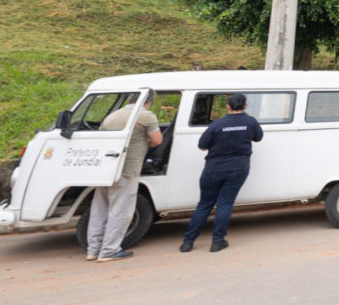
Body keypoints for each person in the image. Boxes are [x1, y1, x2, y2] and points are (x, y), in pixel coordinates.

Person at [181, 94, 263, 253]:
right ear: (245, 106)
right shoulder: (250, 122)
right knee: (225, 204)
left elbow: (202, 146)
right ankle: (217, 242)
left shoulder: (217, 124)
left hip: (213, 169)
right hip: (238, 168)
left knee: (204, 205)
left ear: (228, 106)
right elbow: (258, 138)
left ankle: (188, 243)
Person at [87, 91, 161, 262]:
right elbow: (157, 140)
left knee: (99, 209)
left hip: (106, 169)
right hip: (128, 169)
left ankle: (93, 249)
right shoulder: (146, 115)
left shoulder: (112, 116)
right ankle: (109, 251)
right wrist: (146, 144)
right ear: (148, 101)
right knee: (121, 210)